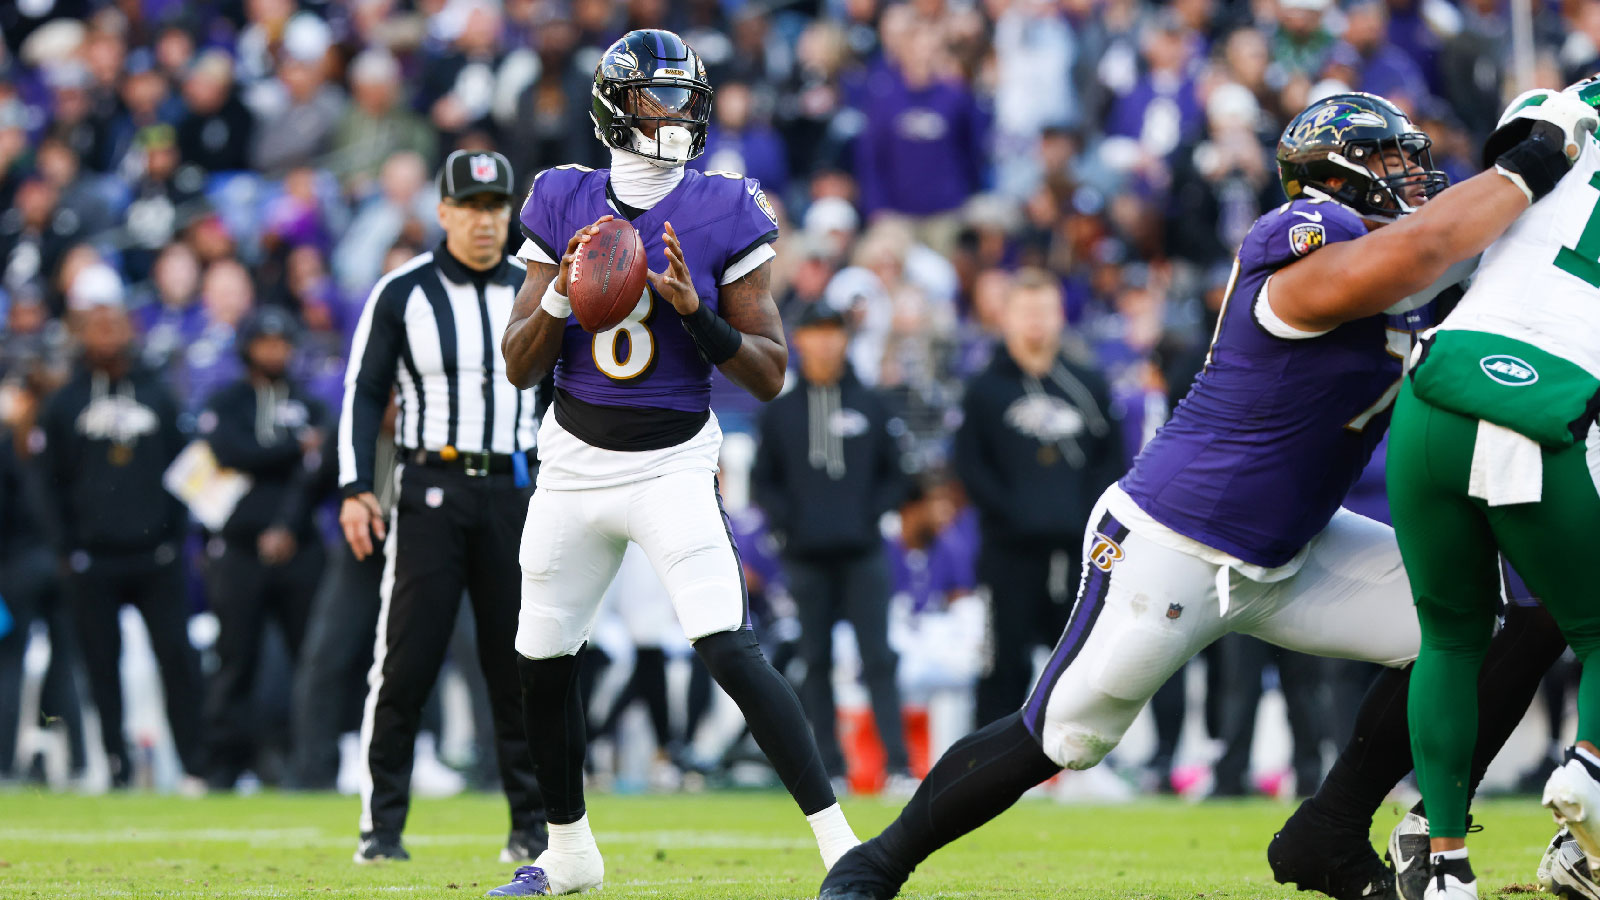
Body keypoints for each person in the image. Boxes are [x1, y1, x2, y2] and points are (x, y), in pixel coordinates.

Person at [816, 90, 1598, 900]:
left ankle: (1330, 832)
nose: (1413, 175)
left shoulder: (1416, 263)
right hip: (1178, 540)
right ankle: (875, 863)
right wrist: (1528, 165)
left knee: (1500, 621)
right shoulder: (1304, 237)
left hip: (1297, 546)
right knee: (1059, 737)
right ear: (1333, 175)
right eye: (1390, 160)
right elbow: (1416, 252)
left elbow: (1470, 269)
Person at [487, 29, 857, 897]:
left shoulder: (726, 205)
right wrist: (566, 301)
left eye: (689, 96)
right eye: (660, 98)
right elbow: (517, 362)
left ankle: (844, 844)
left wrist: (697, 315)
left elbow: (768, 375)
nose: (682, 114)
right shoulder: (560, 196)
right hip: (573, 461)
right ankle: (570, 853)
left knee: (729, 647)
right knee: (539, 657)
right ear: (616, 105)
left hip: (672, 464)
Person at [1385, 82, 1600, 900]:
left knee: (1449, 637)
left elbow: (1501, 178)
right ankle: (1587, 777)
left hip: (1438, 379)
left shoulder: (1562, 99)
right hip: (1549, 398)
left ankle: (1442, 865)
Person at [337, 150, 546, 864]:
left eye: (497, 207)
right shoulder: (402, 292)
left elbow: (561, 395)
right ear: (444, 211)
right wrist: (356, 486)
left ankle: (533, 827)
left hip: (518, 490)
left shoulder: (536, 288)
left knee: (522, 663)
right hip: (430, 490)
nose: (486, 222)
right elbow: (362, 393)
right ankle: (382, 830)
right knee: (407, 663)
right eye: (472, 207)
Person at [34, 284, 205, 790]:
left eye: (115, 324)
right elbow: (48, 483)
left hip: (158, 555)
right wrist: (67, 549)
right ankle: (115, 762)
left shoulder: (159, 393)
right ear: (81, 333)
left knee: (177, 659)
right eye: (97, 325)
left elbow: (188, 468)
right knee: (100, 665)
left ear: (131, 329)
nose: (107, 334)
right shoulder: (64, 403)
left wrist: (178, 536)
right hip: (93, 559)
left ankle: (194, 765)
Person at [751, 300, 913, 792]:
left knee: (878, 659)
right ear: (799, 341)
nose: (824, 342)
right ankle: (833, 769)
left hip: (863, 552)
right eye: (815, 332)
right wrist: (792, 524)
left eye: (833, 332)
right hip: (806, 556)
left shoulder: (874, 404)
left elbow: (898, 475)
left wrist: (867, 515)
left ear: (845, 339)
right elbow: (764, 482)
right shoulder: (780, 413)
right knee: (815, 661)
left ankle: (899, 767)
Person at [952, 268, 1123, 727]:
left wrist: (1083, 516)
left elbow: (1112, 460)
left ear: (1061, 315)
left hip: (1078, 552)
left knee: (1080, 660)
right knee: (1002, 662)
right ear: (1004, 317)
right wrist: (1015, 515)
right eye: (1026, 311)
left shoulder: (1088, 384)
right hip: (1007, 551)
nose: (1036, 322)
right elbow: (970, 465)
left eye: (1045, 310)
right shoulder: (984, 390)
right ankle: (984, 763)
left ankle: (1082, 761)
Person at [195, 306, 329, 790]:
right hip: (238, 547)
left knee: (311, 660)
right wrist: (295, 449)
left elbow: (324, 468)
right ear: (248, 347)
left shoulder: (309, 403)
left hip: (299, 545)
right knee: (235, 659)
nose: (275, 351)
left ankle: (311, 763)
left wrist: (288, 521)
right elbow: (229, 451)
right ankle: (223, 767)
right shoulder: (227, 399)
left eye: (282, 342)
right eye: (265, 342)